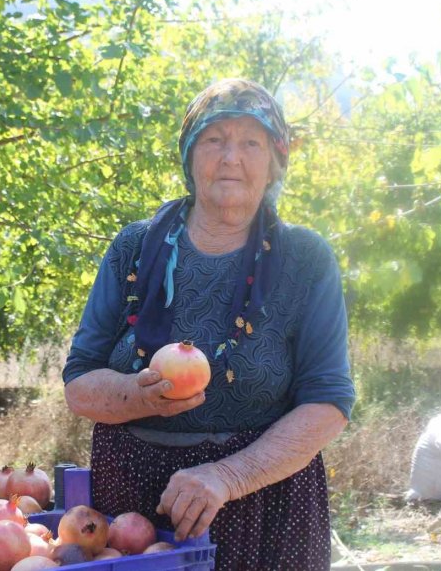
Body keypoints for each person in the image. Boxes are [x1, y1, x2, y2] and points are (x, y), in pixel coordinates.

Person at [62, 78, 356, 570]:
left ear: (275, 161)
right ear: (189, 157)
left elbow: (328, 402)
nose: (231, 157)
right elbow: (79, 384)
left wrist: (228, 475)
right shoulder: (133, 248)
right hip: (134, 515)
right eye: (214, 139)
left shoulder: (305, 259)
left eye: (251, 143)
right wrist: (138, 395)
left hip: (264, 508)